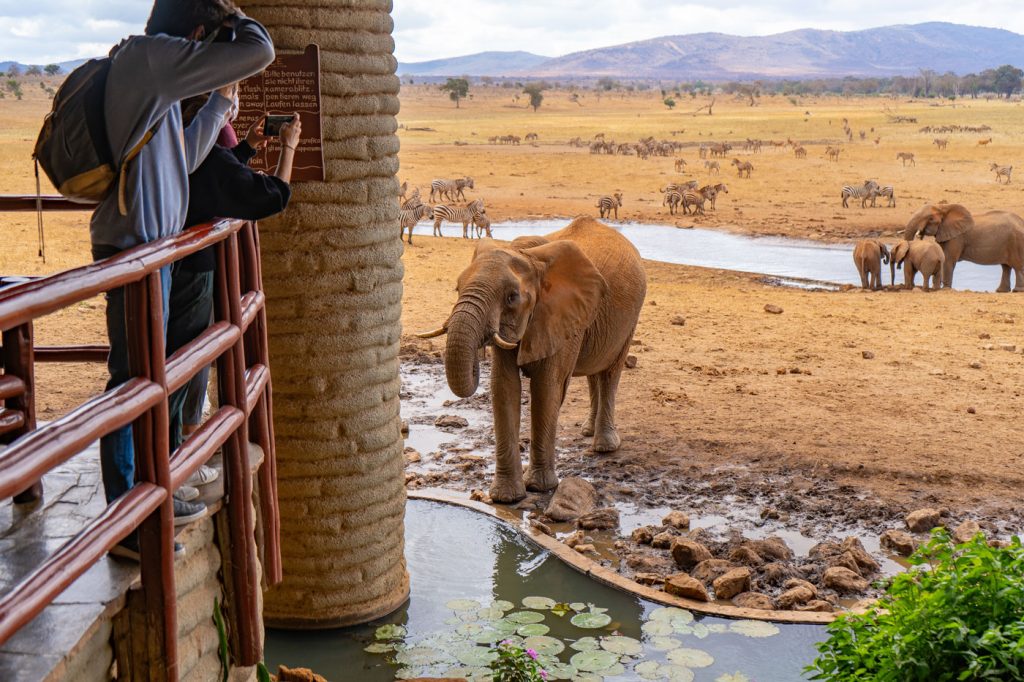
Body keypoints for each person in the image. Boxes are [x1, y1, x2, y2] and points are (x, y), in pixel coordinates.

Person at [91, 0, 275, 560]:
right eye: (209, 40)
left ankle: (149, 498)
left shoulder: (155, 76)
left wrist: (220, 103)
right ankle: (125, 517)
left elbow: (186, 159)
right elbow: (259, 51)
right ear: (196, 33)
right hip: (134, 249)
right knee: (132, 381)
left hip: (154, 250)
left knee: (152, 376)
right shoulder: (151, 59)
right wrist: (238, 17)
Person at [167, 95, 299, 480]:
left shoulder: (180, 142)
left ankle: (179, 449)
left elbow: (216, 176)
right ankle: (176, 462)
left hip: (173, 266)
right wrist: (288, 148)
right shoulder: (207, 152)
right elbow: (272, 196)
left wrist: (246, 148)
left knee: (180, 358)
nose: (234, 104)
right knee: (185, 360)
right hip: (192, 270)